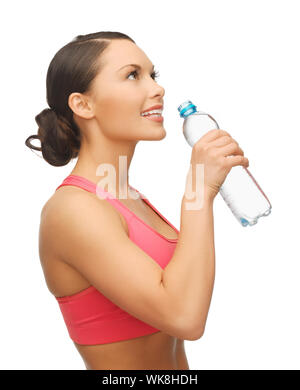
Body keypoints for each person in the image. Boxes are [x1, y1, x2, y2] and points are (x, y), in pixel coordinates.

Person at [25, 31, 249, 370]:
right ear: (83, 105)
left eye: (152, 75)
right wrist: (200, 190)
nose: (156, 88)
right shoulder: (73, 209)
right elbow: (185, 318)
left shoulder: (128, 198)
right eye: (132, 75)